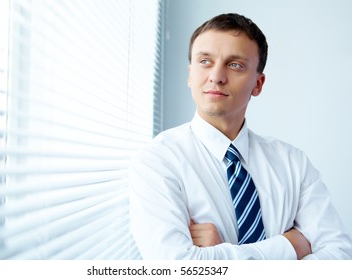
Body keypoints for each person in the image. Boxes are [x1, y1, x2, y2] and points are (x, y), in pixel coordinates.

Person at [129, 13, 352, 259]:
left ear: (258, 84)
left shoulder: (294, 163)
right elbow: (178, 267)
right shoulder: (158, 160)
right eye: (205, 61)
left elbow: (339, 256)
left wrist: (226, 253)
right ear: (190, 74)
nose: (216, 76)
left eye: (235, 65)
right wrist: (290, 246)